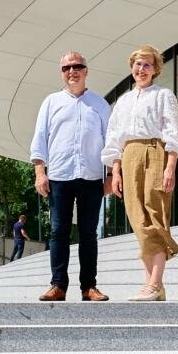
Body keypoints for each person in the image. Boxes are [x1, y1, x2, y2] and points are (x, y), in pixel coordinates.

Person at [29, 51, 113, 302]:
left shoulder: (99, 104)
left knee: (88, 233)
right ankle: (58, 286)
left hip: (91, 176)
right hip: (59, 176)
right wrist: (40, 173)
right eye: (66, 68)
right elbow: (40, 139)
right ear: (62, 72)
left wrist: (110, 176)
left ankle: (89, 287)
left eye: (77, 66)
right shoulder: (51, 102)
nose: (72, 71)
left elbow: (110, 142)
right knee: (58, 232)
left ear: (86, 71)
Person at [103, 45, 178, 301]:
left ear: (155, 69)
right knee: (137, 217)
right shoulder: (124, 100)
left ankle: (154, 282)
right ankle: (153, 284)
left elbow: (172, 131)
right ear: (131, 67)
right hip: (128, 156)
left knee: (154, 212)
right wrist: (115, 171)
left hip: (154, 151)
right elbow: (114, 137)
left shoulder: (164, 95)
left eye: (147, 64)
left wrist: (170, 166)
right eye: (138, 64)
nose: (142, 69)